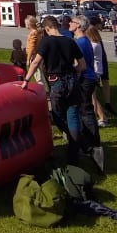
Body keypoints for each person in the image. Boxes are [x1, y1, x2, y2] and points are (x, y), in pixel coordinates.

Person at [22, 16, 86, 165]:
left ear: (47, 28)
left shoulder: (47, 41)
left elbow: (36, 62)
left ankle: (75, 140)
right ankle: (74, 152)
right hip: (71, 80)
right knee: (72, 114)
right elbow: (82, 65)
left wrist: (26, 80)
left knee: (57, 115)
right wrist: (73, 72)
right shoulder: (70, 41)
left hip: (56, 81)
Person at [69, 15, 104, 172]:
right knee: (84, 110)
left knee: (86, 110)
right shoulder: (82, 40)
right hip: (87, 78)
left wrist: (73, 75)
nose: (69, 23)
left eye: (72, 22)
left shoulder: (81, 42)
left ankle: (93, 144)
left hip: (85, 78)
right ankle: (88, 143)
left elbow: (79, 64)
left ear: (78, 26)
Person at [24, 15, 42, 82]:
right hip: (36, 54)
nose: (25, 25)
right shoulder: (37, 31)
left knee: (37, 75)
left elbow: (32, 47)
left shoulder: (33, 33)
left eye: (26, 24)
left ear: (29, 25)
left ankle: (41, 87)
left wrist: (28, 59)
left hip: (33, 55)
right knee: (38, 74)